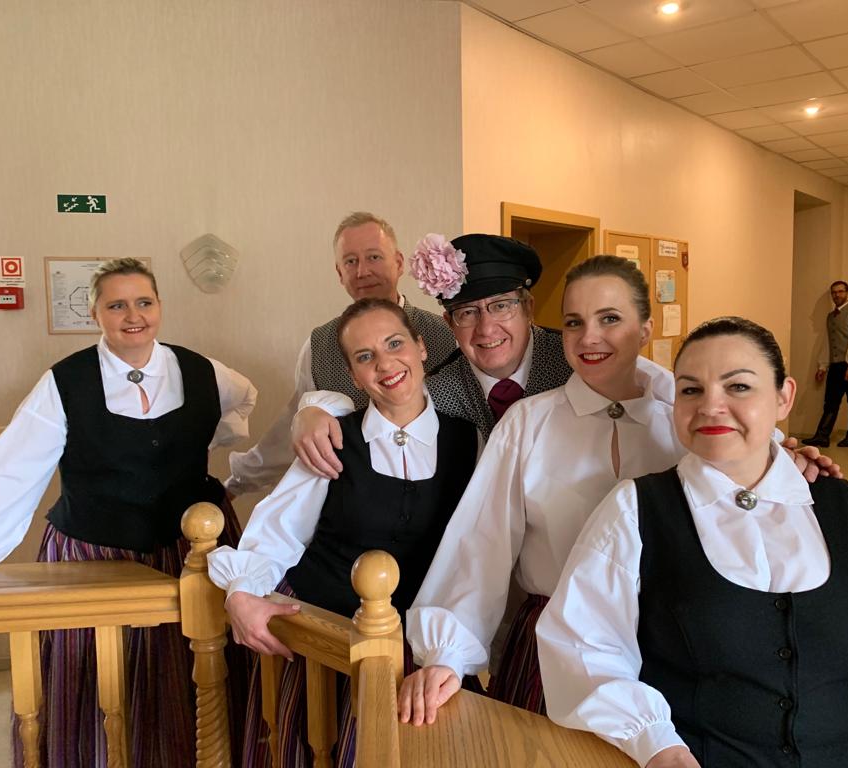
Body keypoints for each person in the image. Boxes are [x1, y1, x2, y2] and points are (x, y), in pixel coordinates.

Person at [537, 316, 848, 767]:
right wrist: (655, 742)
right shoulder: (636, 510)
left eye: (739, 387)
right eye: (690, 390)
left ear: (784, 396)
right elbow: (584, 649)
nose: (711, 406)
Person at [0, 258, 257, 768]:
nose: (133, 315)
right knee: (98, 677)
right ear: (95, 313)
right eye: (116, 305)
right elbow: (12, 470)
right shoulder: (65, 382)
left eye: (144, 302)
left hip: (190, 551)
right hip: (92, 551)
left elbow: (242, 401)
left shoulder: (204, 370)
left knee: (194, 674)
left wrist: (207, 451)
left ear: (160, 306)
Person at [397, 256, 687, 726]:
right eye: (574, 322)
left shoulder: (686, 425)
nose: (589, 337)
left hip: (670, 646)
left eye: (610, 319)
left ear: (645, 329)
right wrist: (447, 654)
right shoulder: (528, 422)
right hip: (552, 650)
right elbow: (481, 543)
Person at [207, 298, 479, 768]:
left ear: (421, 348)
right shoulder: (332, 436)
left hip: (413, 645)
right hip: (324, 634)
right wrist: (241, 591)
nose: (385, 364)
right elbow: (280, 528)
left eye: (395, 344)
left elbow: (475, 551)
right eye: (365, 356)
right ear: (353, 376)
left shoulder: (469, 439)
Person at [291, 233, 574, 481]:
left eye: (501, 306)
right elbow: (378, 418)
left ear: (528, 308)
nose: (486, 329)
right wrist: (312, 410)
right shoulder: (436, 393)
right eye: (467, 312)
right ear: (449, 323)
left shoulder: (573, 366)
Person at [224, 211, 455, 496]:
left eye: (374, 257)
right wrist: (236, 484)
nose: (362, 272)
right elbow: (293, 432)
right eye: (350, 261)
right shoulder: (319, 345)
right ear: (339, 273)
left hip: (441, 491)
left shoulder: (446, 335)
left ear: (398, 263)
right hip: (352, 498)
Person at [802, 280, 848, 448]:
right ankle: (822, 436)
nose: (837, 295)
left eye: (840, 291)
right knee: (830, 401)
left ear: (847, 293)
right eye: (834, 292)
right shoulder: (831, 317)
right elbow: (828, 342)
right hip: (836, 364)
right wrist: (823, 366)